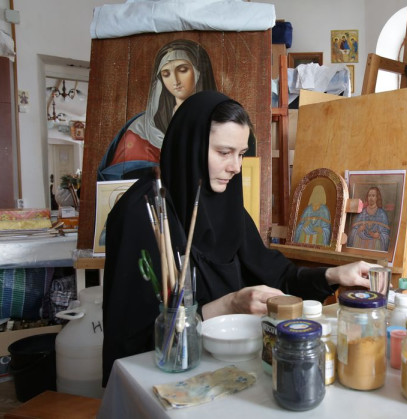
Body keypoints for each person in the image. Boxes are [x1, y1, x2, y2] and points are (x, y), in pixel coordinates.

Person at [102, 91, 375, 385]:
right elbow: (135, 338)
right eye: (224, 152)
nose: (236, 167)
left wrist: (333, 274)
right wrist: (229, 305)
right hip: (165, 377)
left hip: (231, 368)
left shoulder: (227, 207)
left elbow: (278, 277)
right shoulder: (143, 213)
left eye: (241, 154)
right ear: (191, 146)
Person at [97, 39, 216, 180]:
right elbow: (116, 179)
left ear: (199, 71)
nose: (175, 80)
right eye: (166, 74)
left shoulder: (220, 119)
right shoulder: (141, 128)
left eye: (182, 70)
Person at [348, 186, 391, 251]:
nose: (371, 198)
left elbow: (386, 234)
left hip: (376, 244)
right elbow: (353, 231)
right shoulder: (362, 213)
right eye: (369, 196)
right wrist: (359, 229)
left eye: (373, 196)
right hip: (360, 243)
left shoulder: (382, 214)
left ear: (377, 198)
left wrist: (379, 236)